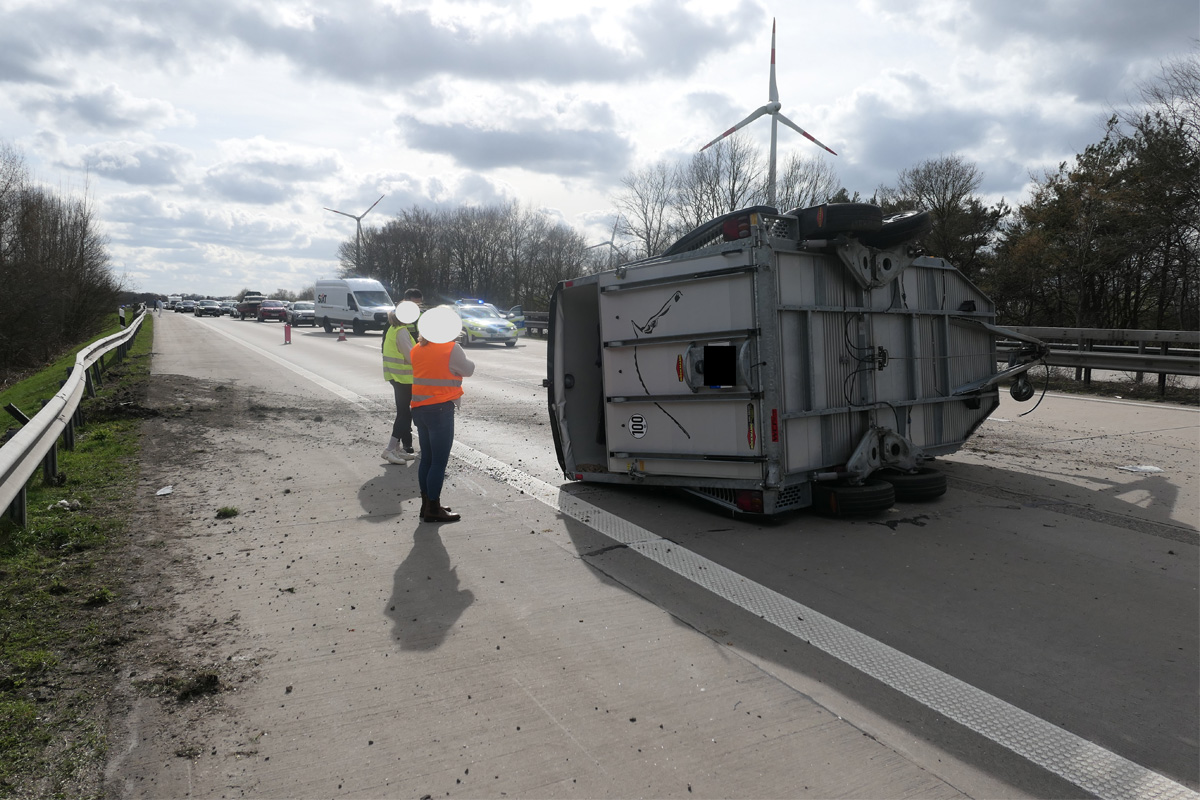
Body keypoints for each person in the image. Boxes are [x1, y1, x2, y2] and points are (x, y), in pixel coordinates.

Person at [398, 309, 474, 523]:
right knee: (439, 462)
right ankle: (433, 507)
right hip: (440, 410)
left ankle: (427, 505)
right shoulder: (451, 348)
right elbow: (468, 370)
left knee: (427, 460)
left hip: (419, 409)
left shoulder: (417, 349)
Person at [381, 288, 424, 464]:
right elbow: (412, 357)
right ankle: (390, 449)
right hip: (404, 378)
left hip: (397, 377)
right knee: (405, 415)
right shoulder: (402, 332)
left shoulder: (395, 328)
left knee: (403, 413)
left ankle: (397, 449)